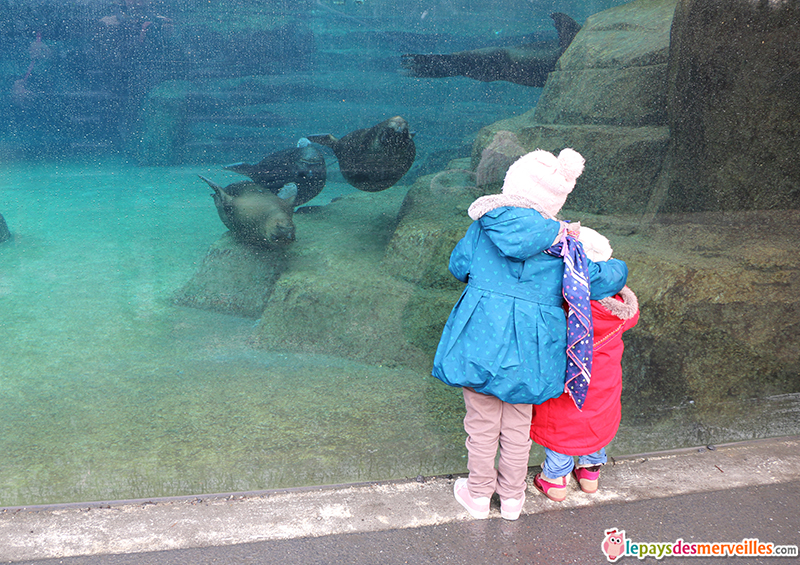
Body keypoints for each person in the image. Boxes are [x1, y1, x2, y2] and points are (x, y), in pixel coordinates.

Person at [432, 148, 628, 520]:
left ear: (512, 185)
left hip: (480, 339)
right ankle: (512, 499)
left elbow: (458, 266)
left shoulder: (484, 226)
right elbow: (598, 280)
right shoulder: (566, 244)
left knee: (481, 424)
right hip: (532, 351)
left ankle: (476, 495)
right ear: (554, 200)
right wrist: (621, 267)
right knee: (518, 427)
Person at [530, 227, 640, 502]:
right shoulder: (616, 308)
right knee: (595, 423)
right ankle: (590, 475)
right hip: (604, 384)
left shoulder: (567, 305)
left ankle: (555, 479)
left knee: (563, 427)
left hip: (570, 385)